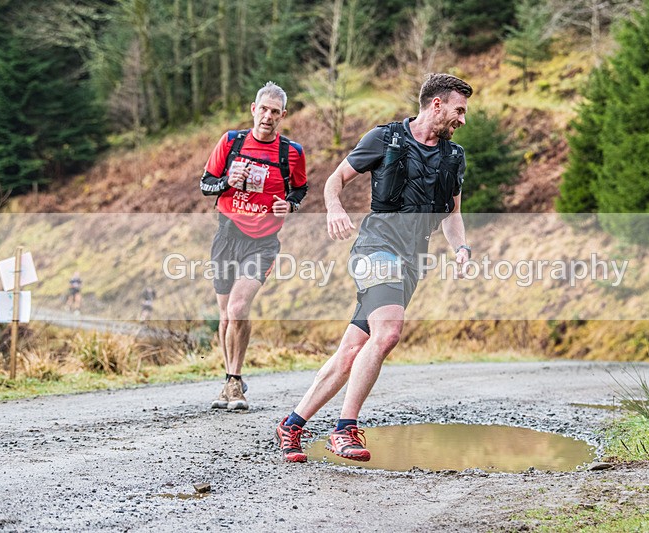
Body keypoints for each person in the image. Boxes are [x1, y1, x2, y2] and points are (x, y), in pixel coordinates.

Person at [275, 73, 473, 462]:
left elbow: (452, 213)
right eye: (459, 110)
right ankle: (344, 429)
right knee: (388, 332)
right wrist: (334, 208)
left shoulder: (454, 156)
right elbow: (335, 179)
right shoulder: (384, 138)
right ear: (437, 104)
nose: (463, 120)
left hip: (412, 261)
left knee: (352, 349)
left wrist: (461, 248)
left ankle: (292, 425)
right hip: (376, 248)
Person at [199, 81, 307, 411]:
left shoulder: (291, 152)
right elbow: (206, 184)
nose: (268, 116)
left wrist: (290, 205)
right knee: (224, 314)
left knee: (237, 308)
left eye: (275, 112)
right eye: (263, 109)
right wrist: (227, 182)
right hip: (226, 235)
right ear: (253, 109)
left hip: (262, 242)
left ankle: (234, 380)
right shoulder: (231, 142)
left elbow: (300, 190)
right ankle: (230, 380)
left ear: (283, 115)